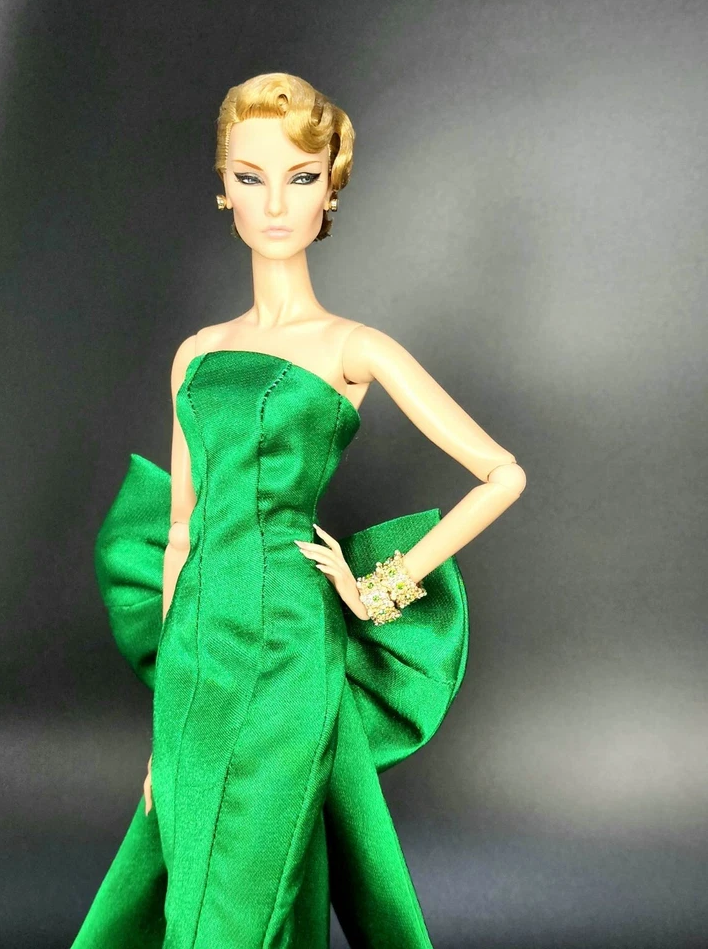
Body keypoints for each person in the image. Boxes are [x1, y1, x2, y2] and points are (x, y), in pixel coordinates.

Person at [72, 72, 526, 949]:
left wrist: (379, 587)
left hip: (288, 643)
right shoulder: (196, 354)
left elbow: (500, 474)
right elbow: (179, 533)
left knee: (245, 883)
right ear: (224, 188)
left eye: (301, 176)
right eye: (251, 177)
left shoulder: (354, 347)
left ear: (331, 189)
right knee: (190, 873)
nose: (276, 203)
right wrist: (165, 724)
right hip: (197, 652)